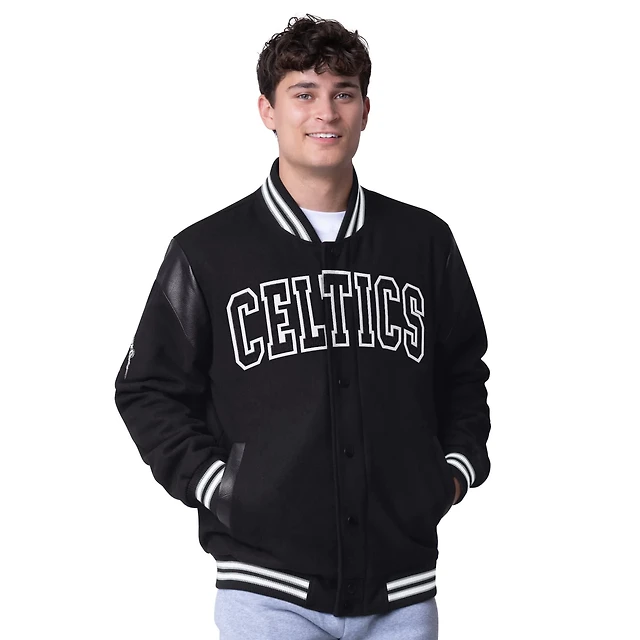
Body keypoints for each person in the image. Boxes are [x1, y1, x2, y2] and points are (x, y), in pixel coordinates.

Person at [114, 14, 491, 640]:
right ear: (267, 110)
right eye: (304, 93)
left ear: (366, 110)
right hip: (266, 589)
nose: (326, 112)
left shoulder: (424, 242)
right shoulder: (207, 251)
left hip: (401, 588)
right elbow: (147, 387)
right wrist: (221, 485)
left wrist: (451, 472)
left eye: (344, 93)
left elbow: (462, 372)